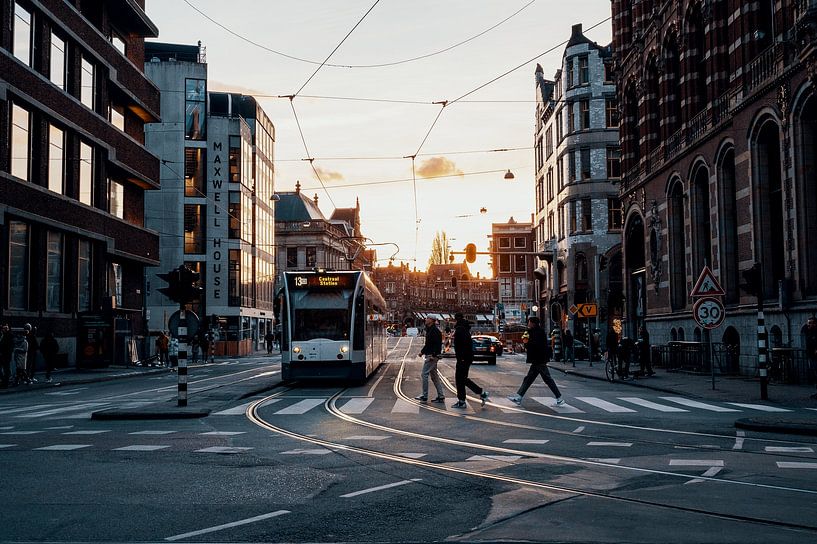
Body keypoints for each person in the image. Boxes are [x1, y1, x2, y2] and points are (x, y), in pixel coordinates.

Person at [508, 317, 565, 406]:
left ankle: (559, 397)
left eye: (529, 322)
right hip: (539, 359)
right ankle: (519, 396)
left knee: (545, 379)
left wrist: (526, 342)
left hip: (538, 360)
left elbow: (534, 345)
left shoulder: (536, 333)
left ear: (533, 323)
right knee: (530, 379)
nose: (528, 324)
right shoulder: (538, 332)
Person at [452, 312, 488, 408]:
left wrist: (461, 358)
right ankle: (478, 394)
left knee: (460, 379)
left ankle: (464, 400)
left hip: (463, 358)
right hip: (465, 357)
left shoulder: (460, 329)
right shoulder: (464, 328)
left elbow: (462, 345)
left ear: (457, 319)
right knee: (462, 379)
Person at [415, 317, 445, 403]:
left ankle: (424, 396)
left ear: (431, 320)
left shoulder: (434, 331)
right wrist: (422, 352)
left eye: (427, 318)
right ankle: (441, 396)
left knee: (424, 374)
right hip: (431, 354)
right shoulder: (430, 329)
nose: (426, 320)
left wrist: (434, 354)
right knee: (434, 376)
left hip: (431, 356)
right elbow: (428, 344)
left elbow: (437, 344)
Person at [805, 317, 817, 399]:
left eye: (810, 323)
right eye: (808, 323)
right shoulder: (809, 332)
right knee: (815, 375)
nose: (809, 325)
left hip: (815, 357)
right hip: (811, 356)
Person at [1, 324, 14, 388]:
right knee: (6, 369)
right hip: (4, 355)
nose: (3, 330)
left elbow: (8, 347)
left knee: (6, 370)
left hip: (6, 356)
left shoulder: (8, 336)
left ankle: (5, 383)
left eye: (4, 329)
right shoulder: (4, 335)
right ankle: (5, 382)